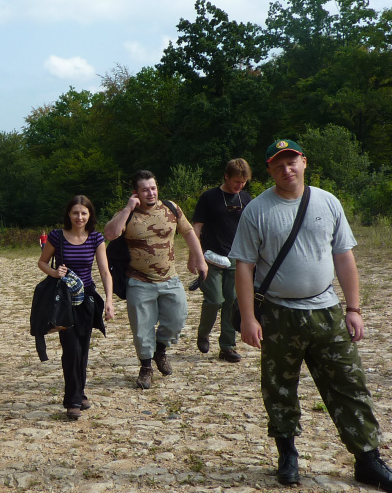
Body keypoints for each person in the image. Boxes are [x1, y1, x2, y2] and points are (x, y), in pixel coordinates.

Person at [230, 139, 392, 493]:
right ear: (269, 170)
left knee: (349, 384)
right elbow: (244, 267)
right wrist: (249, 318)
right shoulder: (257, 210)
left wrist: (354, 308)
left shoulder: (327, 202)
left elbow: (344, 257)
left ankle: (368, 461)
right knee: (279, 387)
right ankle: (287, 455)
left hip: (326, 311)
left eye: (292, 161)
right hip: (279, 315)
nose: (286, 169)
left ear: (304, 162)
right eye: (278, 164)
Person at [104, 171, 208, 389]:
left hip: (170, 278)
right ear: (136, 193)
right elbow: (111, 233)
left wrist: (200, 260)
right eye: (144, 189)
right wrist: (127, 208)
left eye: (153, 188)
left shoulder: (171, 208)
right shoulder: (128, 214)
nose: (150, 193)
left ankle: (160, 350)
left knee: (178, 319)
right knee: (142, 329)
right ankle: (146, 368)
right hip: (139, 281)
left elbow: (189, 232)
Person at [39, 196, 115, 420]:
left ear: (89, 215)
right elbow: (42, 262)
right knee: (70, 347)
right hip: (64, 300)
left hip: (87, 299)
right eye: (75, 213)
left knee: (83, 348)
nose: (79, 217)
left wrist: (109, 301)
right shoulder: (57, 236)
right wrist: (54, 273)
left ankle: (79, 393)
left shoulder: (96, 238)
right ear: (68, 215)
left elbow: (104, 272)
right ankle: (73, 400)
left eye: (83, 213)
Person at [191, 159, 253, 363]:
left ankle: (227, 346)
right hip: (211, 257)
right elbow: (197, 226)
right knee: (215, 299)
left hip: (237, 259)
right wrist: (194, 255)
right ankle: (203, 334)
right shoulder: (209, 197)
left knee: (232, 302)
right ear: (226, 176)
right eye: (236, 181)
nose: (240, 186)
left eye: (243, 182)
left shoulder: (246, 199)